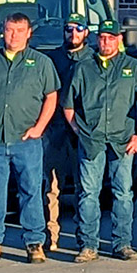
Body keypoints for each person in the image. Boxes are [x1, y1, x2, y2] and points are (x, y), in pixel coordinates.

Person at [0, 13, 61, 265]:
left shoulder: (41, 63)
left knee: (30, 191)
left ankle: (34, 243)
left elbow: (51, 97)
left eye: (19, 30)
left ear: (29, 33)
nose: (14, 35)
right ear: (2, 32)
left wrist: (40, 127)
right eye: (9, 30)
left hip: (26, 140)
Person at [62, 20, 137, 263]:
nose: (106, 42)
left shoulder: (135, 68)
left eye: (111, 38)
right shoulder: (83, 68)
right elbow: (68, 105)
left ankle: (122, 243)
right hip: (91, 140)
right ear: (96, 39)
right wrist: (78, 131)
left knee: (123, 193)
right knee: (89, 193)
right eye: (102, 37)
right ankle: (88, 245)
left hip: (123, 140)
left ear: (120, 40)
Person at [38, 14, 94, 254]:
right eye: (68, 30)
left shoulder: (93, 59)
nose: (73, 35)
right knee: (51, 186)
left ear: (86, 33)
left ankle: (84, 238)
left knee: (85, 187)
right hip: (55, 129)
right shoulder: (51, 59)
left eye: (78, 29)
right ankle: (50, 235)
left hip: (84, 130)